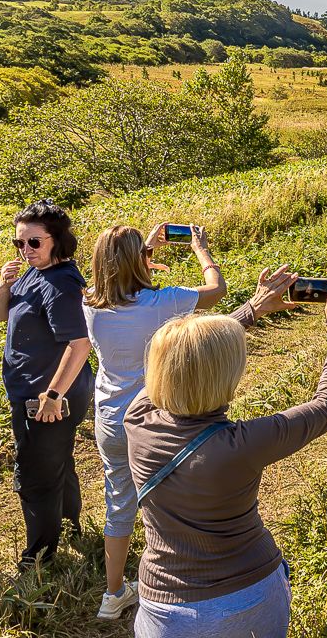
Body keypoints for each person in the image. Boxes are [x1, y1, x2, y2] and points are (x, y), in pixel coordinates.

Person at [125, 270, 327, 637]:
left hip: (163, 607)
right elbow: (326, 407)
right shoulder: (241, 444)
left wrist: (252, 309)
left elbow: (182, 357)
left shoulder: (137, 419)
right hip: (247, 595)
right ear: (226, 376)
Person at [82, 223, 229, 619]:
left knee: (119, 502)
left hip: (110, 417)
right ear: (137, 263)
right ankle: (176, 577)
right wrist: (201, 250)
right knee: (169, 500)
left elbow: (120, 275)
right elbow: (216, 290)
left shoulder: (90, 304)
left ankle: (113, 594)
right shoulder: (162, 302)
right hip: (152, 418)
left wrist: (145, 247)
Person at [0, 199, 93, 569]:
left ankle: (39, 556)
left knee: (35, 475)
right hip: (37, 392)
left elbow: (80, 344)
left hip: (47, 397)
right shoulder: (33, 273)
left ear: (57, 240)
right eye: (19, 242)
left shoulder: (60, 284)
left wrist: (53, 395)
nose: (25, 250)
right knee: (57, 460)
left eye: (34, 242)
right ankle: (70, 523)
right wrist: (3, 283)